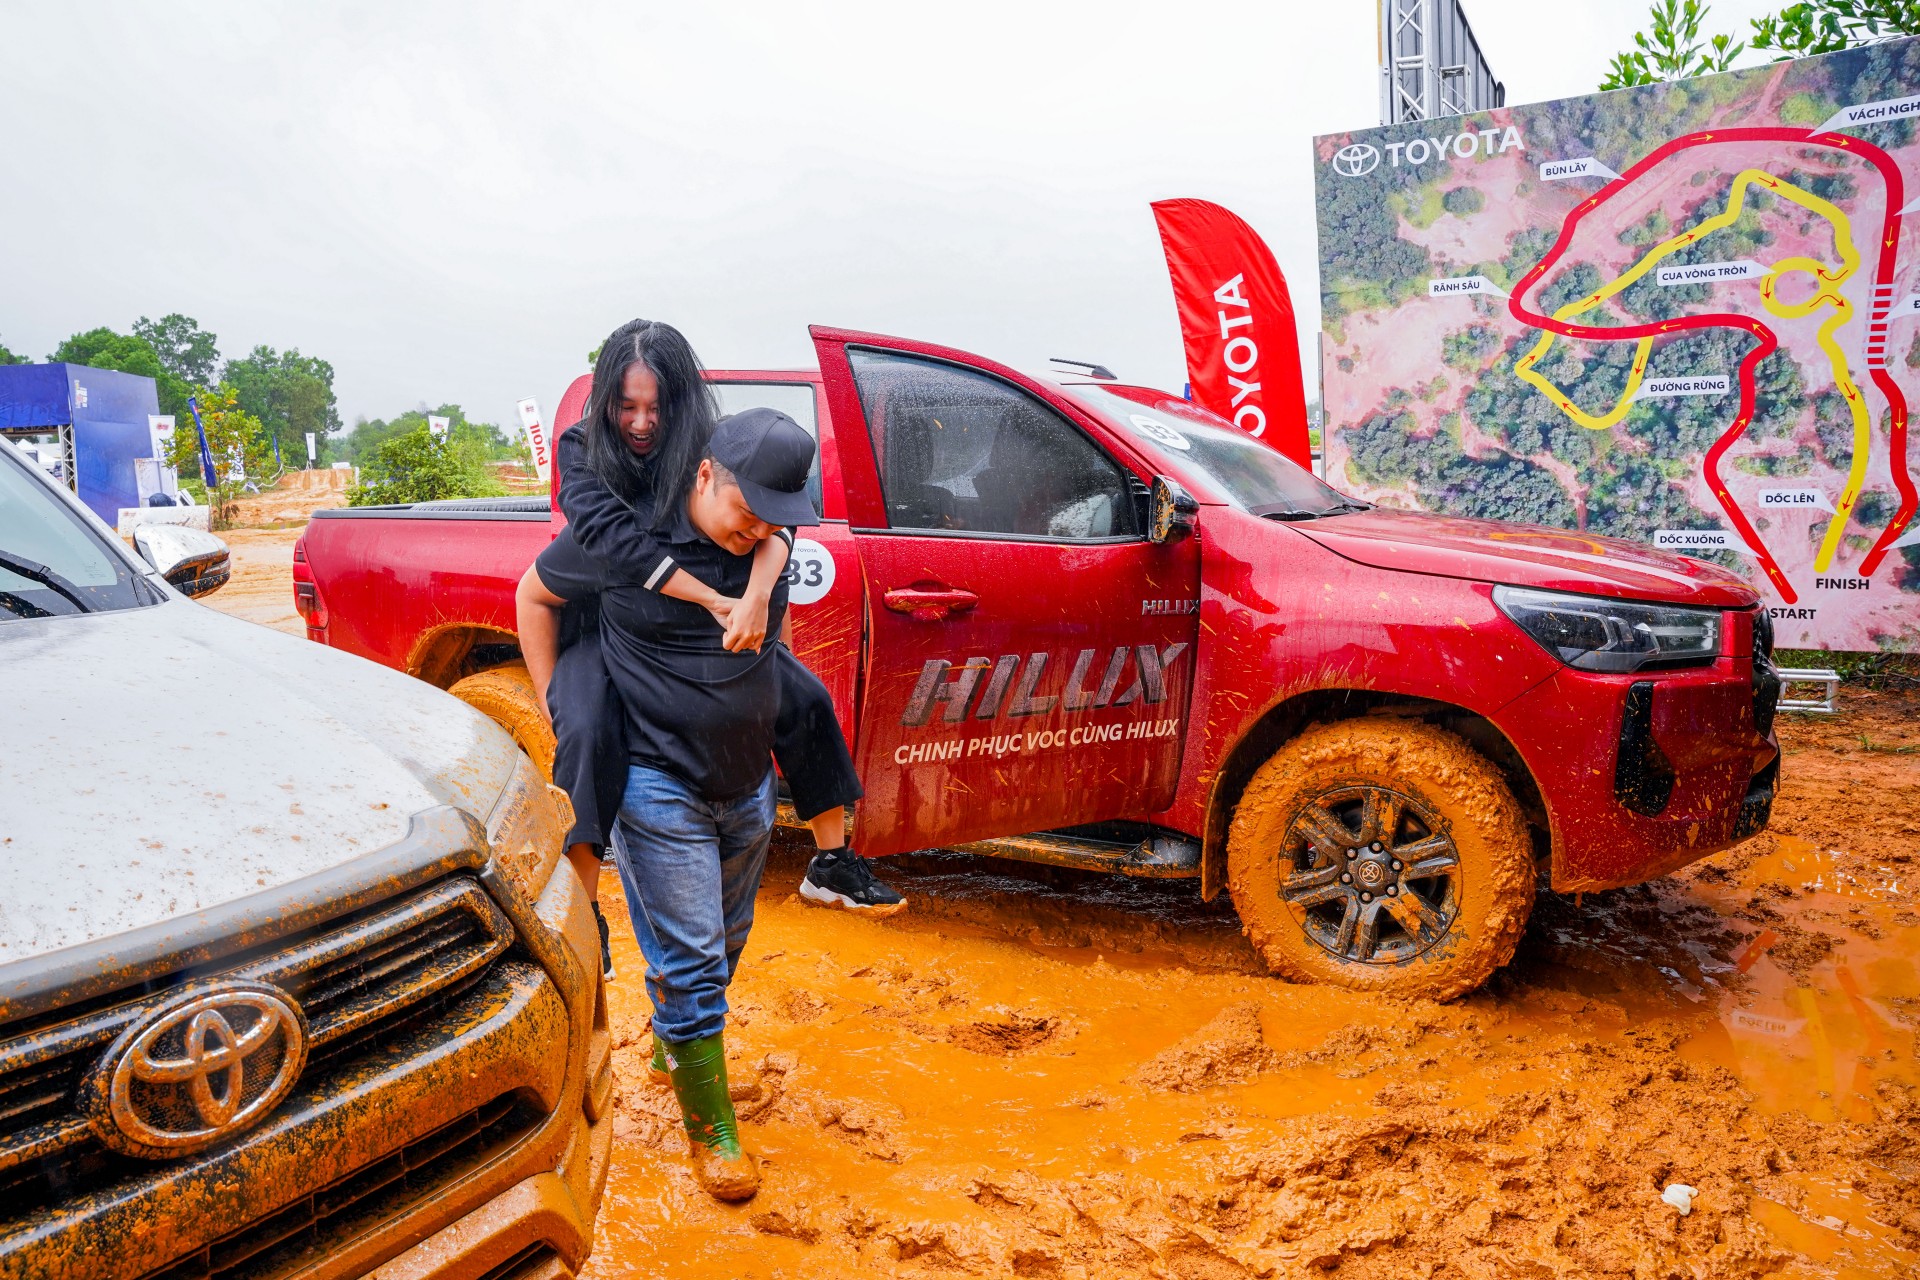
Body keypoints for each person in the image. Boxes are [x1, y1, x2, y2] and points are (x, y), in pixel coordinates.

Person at [529, 321, 902, 981]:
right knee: (587, 732)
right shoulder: (584, 451)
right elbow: (621, 550)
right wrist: (550, 698)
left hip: (682, 615)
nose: (642, 423)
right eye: (627, 406)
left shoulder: (704, 449)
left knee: (804, 696)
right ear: (604, 403)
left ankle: (832, 861)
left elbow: (775, 511)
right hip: (602, 605)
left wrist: (758, 593)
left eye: (656, 407)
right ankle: (586, 910)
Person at [521, 410, 817, 1200]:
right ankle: (711, 1131)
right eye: (745, 507)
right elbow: (535, 594)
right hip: (655, 775)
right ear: (703, 474)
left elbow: (778, 540)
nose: (758, 526)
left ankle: (674, 1039)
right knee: (690, 957)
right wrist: (561, 705)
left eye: (774, 516)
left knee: (724, 939)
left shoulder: (766, 544)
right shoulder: (628, 543)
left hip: (745, 777)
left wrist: (761, 562)